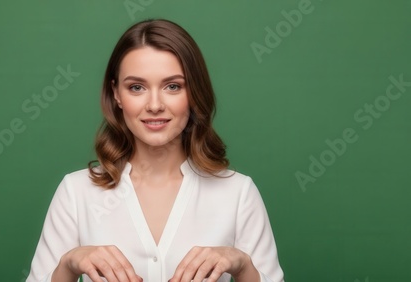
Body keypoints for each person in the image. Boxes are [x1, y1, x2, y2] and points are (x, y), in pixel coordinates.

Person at [27, 19, 284, 282]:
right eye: (136, 87)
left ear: (194, 92)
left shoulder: (238, 194)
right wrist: (68, 266)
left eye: (173, 86)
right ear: (116, 94)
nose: (154, 105)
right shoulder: (76, 192)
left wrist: (243, 266)